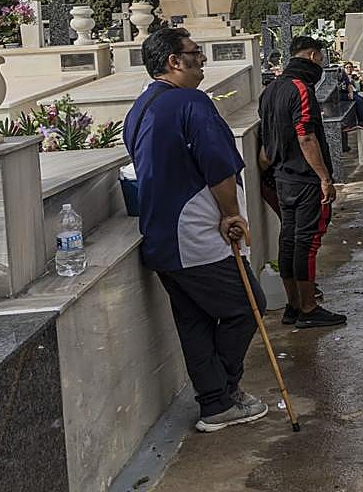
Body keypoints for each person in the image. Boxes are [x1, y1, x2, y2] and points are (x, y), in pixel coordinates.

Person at [123, 27, 267, 433]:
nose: (201, 60)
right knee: (246, 306)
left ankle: (214, 405)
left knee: (194, 320)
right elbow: (218, 165)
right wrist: (232, 214)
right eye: (195, 53)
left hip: (162, 235)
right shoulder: (191, 102)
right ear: (174, 61)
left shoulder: (140, 108)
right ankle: (223, 393)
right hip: (197, 235)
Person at [258, 35, 346, 329]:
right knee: (306, 244)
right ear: (311, 57)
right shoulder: (300, 88)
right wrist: (324, 178)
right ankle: (309, 307)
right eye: (320, 57)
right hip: (305, 179)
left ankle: (293, 306)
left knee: (289, 240)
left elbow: (266, 145)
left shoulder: (271, 90)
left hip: (282, 178)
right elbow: (305, 135)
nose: (322, 62)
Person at [339, 61, 363, 132]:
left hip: (351, 93)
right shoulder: (340, 75)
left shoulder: (347, 75)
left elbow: (349, 85)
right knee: (358, 99)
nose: (349, 69)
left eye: (350, 67)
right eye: (347, 67)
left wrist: (351, 92)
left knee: (361, 100)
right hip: (339, 95)